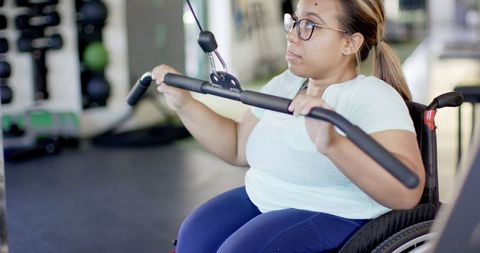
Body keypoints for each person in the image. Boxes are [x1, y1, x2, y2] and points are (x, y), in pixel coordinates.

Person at [152, 0, 425, 252]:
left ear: (350, 43)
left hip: (330, 211)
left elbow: (406, 192)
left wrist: (334, 144)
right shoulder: (285, 83)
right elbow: (237, 146)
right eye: (294, 22)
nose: (292, 35)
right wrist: (183, 103)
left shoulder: (371, 95)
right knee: (193, 238)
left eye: (310, 25)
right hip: (264, 197)